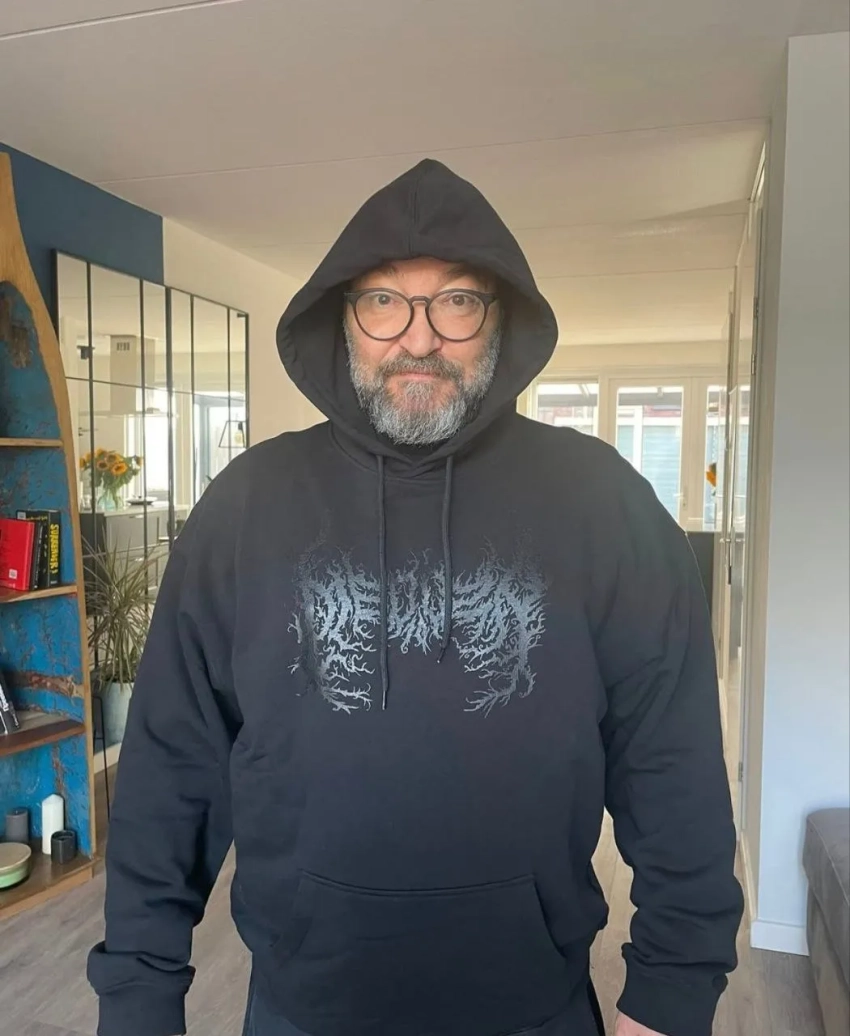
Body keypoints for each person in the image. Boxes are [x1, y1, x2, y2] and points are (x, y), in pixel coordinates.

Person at [88, 159, 743, 1036]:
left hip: (531, 1005)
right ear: (344, 319)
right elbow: (173, 761)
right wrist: (138, 996)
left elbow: (671, 755)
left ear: (498, 320)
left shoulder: (602, 500)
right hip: (301, 1007)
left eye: (457, 301)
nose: (420, 337)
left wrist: (672, 993)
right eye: (384, 301)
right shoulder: (249, 503)